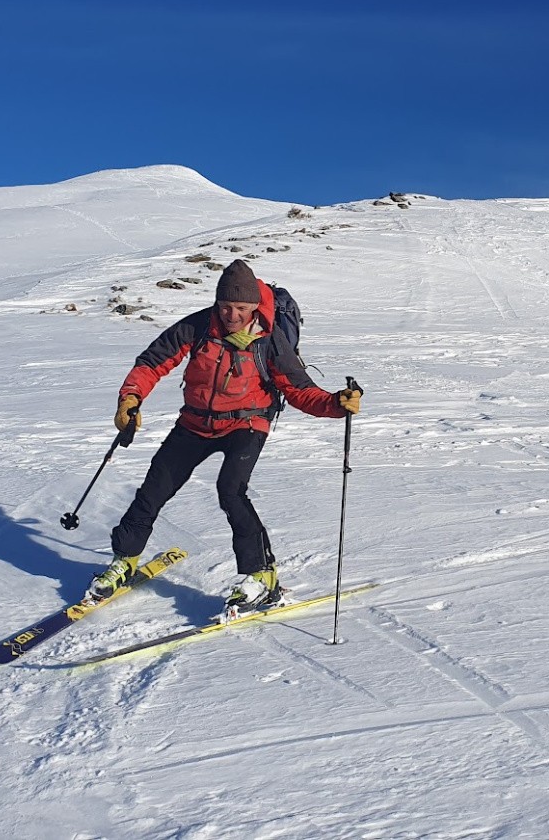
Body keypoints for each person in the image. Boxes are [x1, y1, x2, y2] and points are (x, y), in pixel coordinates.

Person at [87, 259, 361, 610]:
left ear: (254, 306)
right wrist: (131, 398)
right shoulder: (198, 325)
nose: (232, 315)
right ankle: (125, 560)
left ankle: (262, 575)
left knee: (231, 490)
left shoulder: (269, 339)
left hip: (247, 423)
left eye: (241, 308)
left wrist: (336, 404)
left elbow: (299, 389)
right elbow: (153, 362)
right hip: (196, 422)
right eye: (226, 306)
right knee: (154, 488)